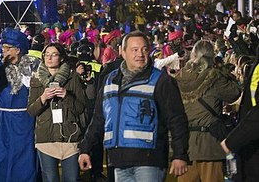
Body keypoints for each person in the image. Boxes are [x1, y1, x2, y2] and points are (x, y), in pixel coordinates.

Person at [78, 31, 189, 181]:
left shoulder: (161, 80)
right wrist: (86, 149)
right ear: (122, 52)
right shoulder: (110, 80)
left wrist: (179, 154)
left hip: (150, 160)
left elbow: (177, 119)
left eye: (144, 49)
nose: (140, 54)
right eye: (134, 50)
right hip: (118, 161)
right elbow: (99, 119)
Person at [175, 39, 239, 181]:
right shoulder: (214, 76)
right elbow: (234, 92)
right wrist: (222, 69)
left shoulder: (180, 77)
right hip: (209, 145)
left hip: (186, 147)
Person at [0, 27, 39, 182]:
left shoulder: (33, 65)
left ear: (17, 50)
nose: (3, 51)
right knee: (2, 155)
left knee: (24, 156)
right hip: (4, 119)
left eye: (7, 48)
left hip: (25, 119)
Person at [27, 42, 86, 182]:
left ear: (61, 58)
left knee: (72, 179)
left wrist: (66, 96)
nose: (49, 58)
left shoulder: (73, 79)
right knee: (50, 179)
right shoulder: (36, 80)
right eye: (47, 55)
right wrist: (43, 98)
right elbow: (31, 111)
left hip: (70, 138)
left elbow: (80, 108)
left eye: (54, 54)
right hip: (46, 139)